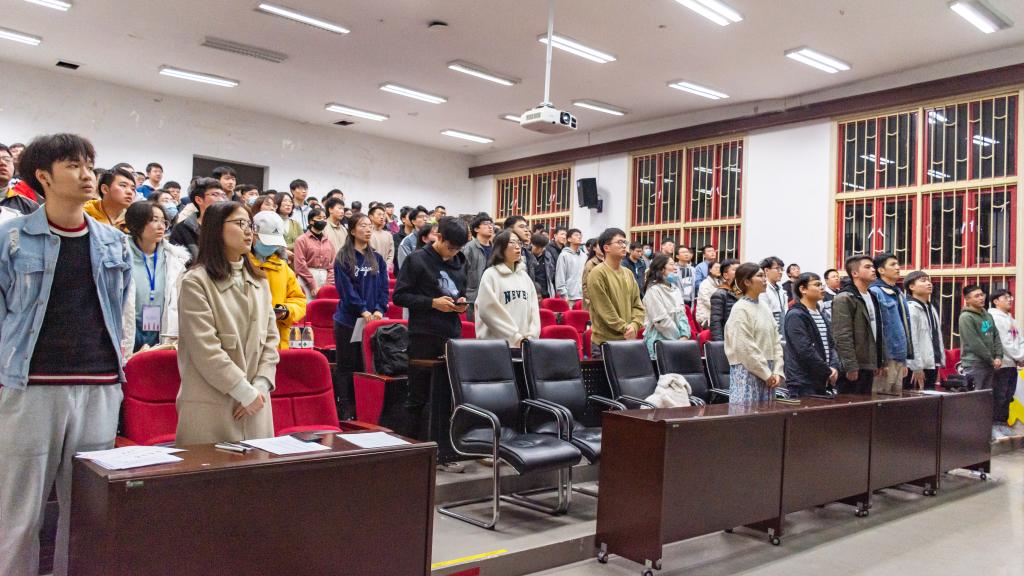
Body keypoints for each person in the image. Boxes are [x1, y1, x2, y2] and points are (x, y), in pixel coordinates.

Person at [0, 134, 132, 576]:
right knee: (18, 515)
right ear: (43, 175)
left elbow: (120, 312)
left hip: (99, 387)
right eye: (73, 166)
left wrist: (117, 374)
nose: (86, 175)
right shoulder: (11, 238)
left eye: (89, 165)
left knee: (86, 516)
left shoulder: (113, 242)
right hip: (30, 388)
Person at [175, 201, 279, 446]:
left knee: (258, 468)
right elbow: (205, 349)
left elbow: (271, 340)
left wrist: (261, 386)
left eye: (250, 225)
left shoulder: (260, 281)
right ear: (216, 228)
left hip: (257, 404)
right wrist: (244, 392)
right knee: (211, 468)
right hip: (212, 405)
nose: (249, 231)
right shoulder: (195, 282)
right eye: (241, 223)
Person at [392, 216, 469, 438]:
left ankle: (445, 448)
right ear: (439, 237)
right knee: (418, 396)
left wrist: (460, 303)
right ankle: (412, 445)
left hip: (451, 334)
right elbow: (399, 296)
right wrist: (432, 303)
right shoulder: (417, 260)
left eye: (458, 248)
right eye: (450, 247)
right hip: (423, 336)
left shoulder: (460, 261)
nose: (453, 253)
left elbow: (459, 291)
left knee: (449, 396)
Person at [332, 213, 389, 419]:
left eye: (369, 226)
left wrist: (379, 309)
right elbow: (345, 290)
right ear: (352, 230)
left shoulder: (377, 258)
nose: (367, 229)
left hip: (372, 322)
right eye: (362, 225)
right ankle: (345, 408)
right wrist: (362, 309)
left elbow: (383, 288)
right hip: (348, 321)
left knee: (365, 366)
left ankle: (363, 409)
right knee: (347, 365)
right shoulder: (343, 258)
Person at [122, 201, 190, 352]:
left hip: (162, 329)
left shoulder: (174, 258)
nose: (161, 226)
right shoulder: (120, 255)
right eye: (154, 220)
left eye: (164, 221)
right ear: (136, 223)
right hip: (128, 327)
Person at [724, 263, 785, 404]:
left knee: (767, 414)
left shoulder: (764, 306)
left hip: (769, 371)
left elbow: (776, 340)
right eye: (760, 276)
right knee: (747, 414)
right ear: (747, 282)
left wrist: (777, 371)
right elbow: (744, 346)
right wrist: (765, 373)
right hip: (748, 370)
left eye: (764, 275)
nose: (764, 279)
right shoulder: (740, 309)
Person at [474, 230, 541, 348]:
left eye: (519, 243)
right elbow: (488, 311)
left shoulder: (525, 277)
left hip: (523, 345)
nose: (517, 246)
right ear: (500, 247)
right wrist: (515, 337)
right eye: (512, 242)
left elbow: (534, 310)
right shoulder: (490, 275)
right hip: (496, 346)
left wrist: (531, 336)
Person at [831, 255, 886, 395]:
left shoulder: (871, 296)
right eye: (867, 267)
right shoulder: (845, 298)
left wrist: (878, 361)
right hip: (854, 365)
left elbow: (877, 330)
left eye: (873, 266)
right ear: (854, 273)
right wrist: (850, 365)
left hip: (868, 363)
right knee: (851, 405)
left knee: (867, 404)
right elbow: (842, 335)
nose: (873, 270)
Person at [251, 211, 307, 349]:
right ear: (253, 235)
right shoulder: (241, 264)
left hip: (278, 339)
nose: (271, 246)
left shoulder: (283, 267)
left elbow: (299, 300)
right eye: (267, 241)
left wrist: (285, 311)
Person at [586, 228, 645, 358]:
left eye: (625, 242)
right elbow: (604, 310)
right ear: (606, 248)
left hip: (628, 340)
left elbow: (638, 305)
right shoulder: (597, 273)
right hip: (605, 343)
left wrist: (634, 325)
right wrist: (625, 328)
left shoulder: (628, 273)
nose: (624, 246)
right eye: (619, 242)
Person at [783, 273, 839, 396]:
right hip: (803, 380)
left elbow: (831, 345)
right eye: (817, 285)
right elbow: (804, 349)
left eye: (822, 285)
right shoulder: (795, 315)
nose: (822, 288)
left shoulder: (820, 314)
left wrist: (834, 366)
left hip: (822, 377)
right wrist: (827, 370)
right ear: (803, 289)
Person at [869, 252, 914, 394]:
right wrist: (881, 360)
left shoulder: (898, 292)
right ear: (881, 270)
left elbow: (904, 326)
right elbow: (877, 328)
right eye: (893, 264)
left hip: (899, 355)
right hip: (886, 358)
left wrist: (904, 360)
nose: (898, 267)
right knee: (881, 400)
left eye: (897, 264)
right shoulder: (875, 292)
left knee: (896, 401)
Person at [989, 288, 1024, 438]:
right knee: (999, 395)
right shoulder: (993, 317)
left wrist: (1021, 356)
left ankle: (1003, 423)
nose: (1010, 300)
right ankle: (994, 425)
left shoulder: (1011, 319)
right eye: (1005, 297)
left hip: (1012, 364)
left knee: (1009, 395)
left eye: (1010, 297)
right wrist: (1020, 357)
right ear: (996, 301)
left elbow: (1020, 340)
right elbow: (1003, 343)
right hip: (1001, 364)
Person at [642, 254, 691, 359]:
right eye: (672, 264)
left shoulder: (676, 289)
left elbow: (682, 315)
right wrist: (677, 340)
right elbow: (661, 321)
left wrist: (685, 335)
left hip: (679, 343)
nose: (675, 268)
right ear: (661, 269)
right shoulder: (653, 291)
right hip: (660, 342)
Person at [903, 271, 945, 391]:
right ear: (912, 287)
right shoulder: (910, 307)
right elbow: (911, 339)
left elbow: (937, 337)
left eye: (929, 280)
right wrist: (916, 366)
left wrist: (939, 362)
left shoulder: (931, 308)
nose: (929, 283)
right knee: (915, 398)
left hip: (931, 364)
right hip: (916, 366)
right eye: (923, 280)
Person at [169, 177, 226, 262]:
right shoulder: (182, 230)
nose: (222, 200)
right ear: (199, 200)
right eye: (215, 195)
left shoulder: (230, 226)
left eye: (223, 195)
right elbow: (177, 263)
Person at [293, 207, 335, 299]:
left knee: (323, 305)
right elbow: (300, 265)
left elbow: (332, 265)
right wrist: (312, 284)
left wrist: (328, 285)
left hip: (325, 277)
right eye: (319, 218)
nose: (323, 220)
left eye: (324, 218)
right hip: (306, 278)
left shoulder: (328, 241)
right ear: (311, 221)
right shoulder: (301, 240)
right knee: (307, 304)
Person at [461, 212, 495, 321]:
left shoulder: (496, 249)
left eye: (491, 224)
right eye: (485, 224)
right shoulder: (469, 248)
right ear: (476, 229)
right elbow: (462, 273)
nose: (490, 226)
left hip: (492, 297)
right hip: (473, 297)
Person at [709, 259, 740, 341]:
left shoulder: (744, 293)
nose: (740, 272)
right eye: (735, 270)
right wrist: (719, 343)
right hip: (728, 339)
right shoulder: (719, 294)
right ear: (726, 275)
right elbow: (716, 322)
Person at [555, 228, 587, 307]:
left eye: (580, 235)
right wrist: (564, 295)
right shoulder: (564, 255)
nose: (579, 237)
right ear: (569, 239)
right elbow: (560, 276)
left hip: (583, 297)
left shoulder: (584, 256)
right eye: (576, 235)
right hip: (569, 297)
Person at [759, 256, 789, 336]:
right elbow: (764, 318)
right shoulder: (762, 290)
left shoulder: (781, 291)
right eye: (777, 269)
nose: (781, 272)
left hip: (782, 334)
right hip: (769, 335)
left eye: (782, 269)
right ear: (766, 270)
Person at [504, 215, 537, 284]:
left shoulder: (528, 255)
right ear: (510, 229)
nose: (526, 230)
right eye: (521, 227)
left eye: (526, 227)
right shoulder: (501, 252)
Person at [367, 203, 396, 274]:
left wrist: (386, 266)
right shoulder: (366, 233)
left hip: (384, 270)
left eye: (383, 215)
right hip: (369, 270)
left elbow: (391, 253)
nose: (382, 217)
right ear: (371, 217)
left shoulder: (388, 235)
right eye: (379, 214)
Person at [694, 260, 722, 327]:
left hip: (715, 315)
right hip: (705, 317)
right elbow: (706, 300)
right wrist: (720, 308)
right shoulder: (705, 283)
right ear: (710, 270)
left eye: (720, 268)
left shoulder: (719, 282)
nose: (718, 270)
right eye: (716, 268)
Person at [530, 233, 556, 299]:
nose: (539, 249)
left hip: (546, 292)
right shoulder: (526, 256)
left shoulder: (548, 256)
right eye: (537, 247)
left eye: (541, 247)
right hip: (532, 292)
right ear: (532, 244)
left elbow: (551, 273)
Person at [581, 239, 604, 310]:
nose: (602, 248)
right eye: (600, 246)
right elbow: (585, 285)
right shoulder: (590, 264)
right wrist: (591, 301)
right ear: (594, 248)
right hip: (593, 303)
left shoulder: (607, 262)